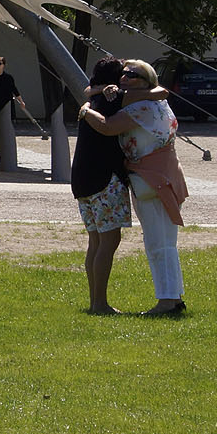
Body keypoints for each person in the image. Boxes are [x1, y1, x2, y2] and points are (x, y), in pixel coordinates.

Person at [78, 59, 188, 315]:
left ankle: (168, 301)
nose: (125, 78)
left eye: (132, 75)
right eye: (123, 74)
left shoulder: (142, 107)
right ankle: (171, 297)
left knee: (159, 242)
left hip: (153, 180)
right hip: (161, 176)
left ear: (146, 81)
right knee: (162, 241)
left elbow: (108, 127)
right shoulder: (153, 101)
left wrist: (85, 110)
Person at [72, 58, 133, 314]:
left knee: (95, 242)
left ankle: (95, 301)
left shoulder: (91, 102)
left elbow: (87, 90)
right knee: (109, 241)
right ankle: (100, 303)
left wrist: (94, 91)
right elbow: (154, 93)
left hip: (82, 180)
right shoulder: (114, 99)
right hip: (104, 179)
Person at [0, 56, 29, 155]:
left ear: (4, 65)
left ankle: (5, 146)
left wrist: (21, 101)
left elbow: (14, 90)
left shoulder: (8, 78)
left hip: (6, 106)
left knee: (5, 126)